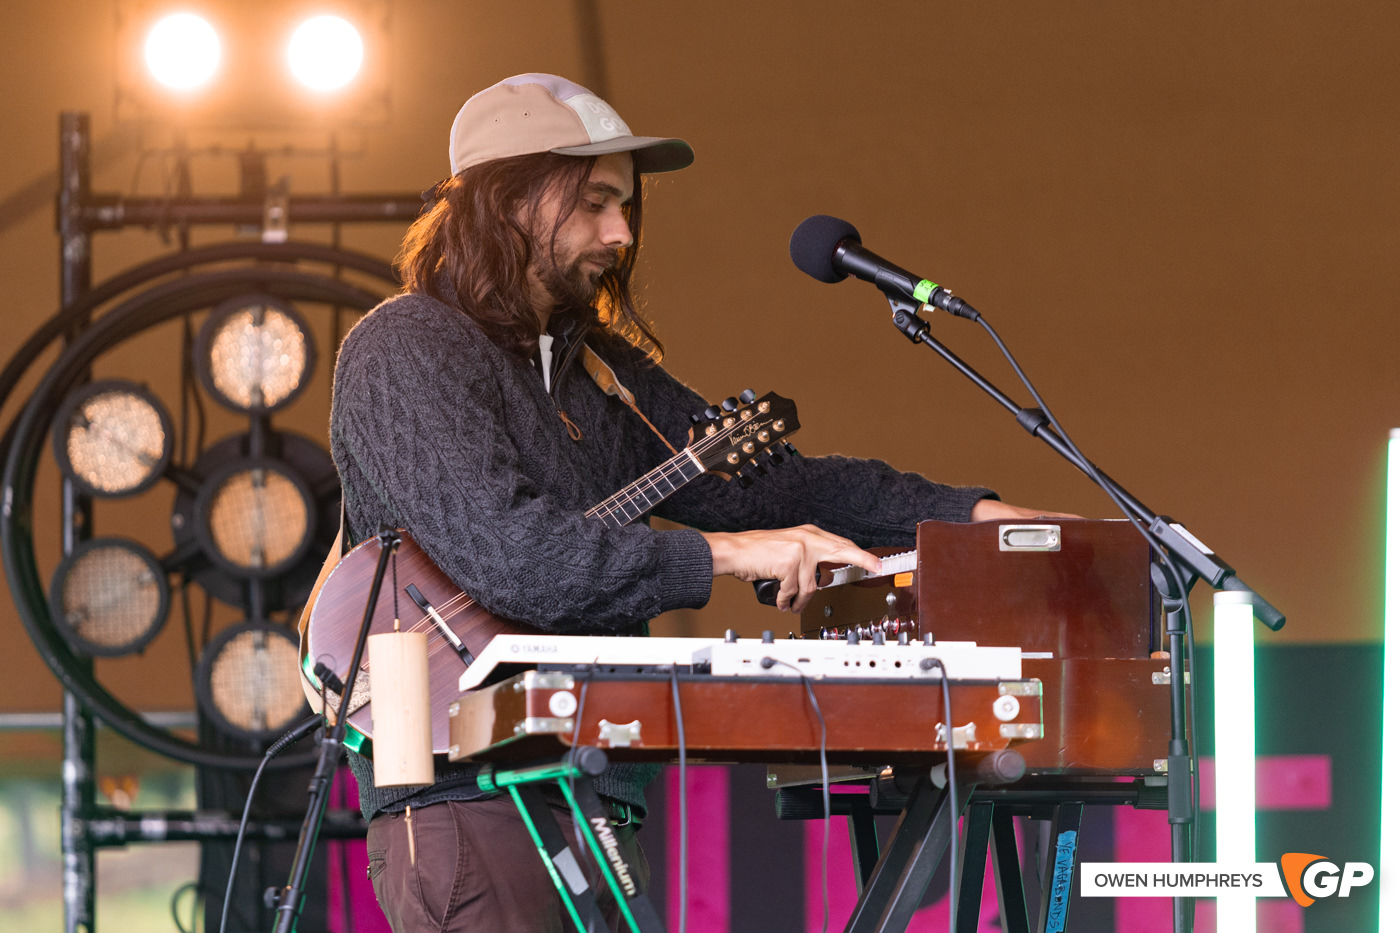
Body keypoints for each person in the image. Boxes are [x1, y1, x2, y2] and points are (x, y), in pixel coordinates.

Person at [329, 72, 1057, 932]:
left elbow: (783, 487)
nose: (621, 232)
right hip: (467, 798)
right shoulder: (405, 348)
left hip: (592, 785)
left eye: (627, 207)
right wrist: (730, 555)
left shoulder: (594, 368)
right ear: (510, 199)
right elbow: (518, 558)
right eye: (596, 202)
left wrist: (976, 517)